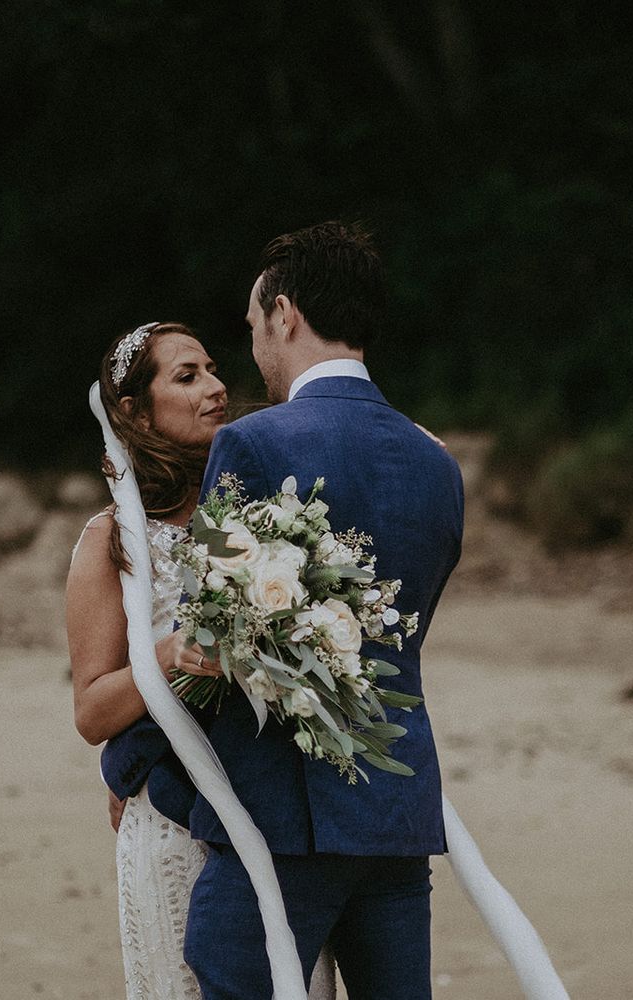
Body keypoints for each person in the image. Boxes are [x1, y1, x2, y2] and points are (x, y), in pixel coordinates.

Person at [180, 222, 465, 999]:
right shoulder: (438, 462)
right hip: (398, 808)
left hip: (281, 811)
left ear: (285, 314)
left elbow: (209, 638)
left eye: (252, 326)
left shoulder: (251, 444)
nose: (254, 352)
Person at [66, 321, 336, 1000]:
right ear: (133, 410)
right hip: (176, 824)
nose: (217, 388)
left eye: (213, 369)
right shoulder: (112, 541)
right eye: (187, 377)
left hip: (285, 816)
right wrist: (168, 656)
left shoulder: (269, 515)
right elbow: (93, 711)